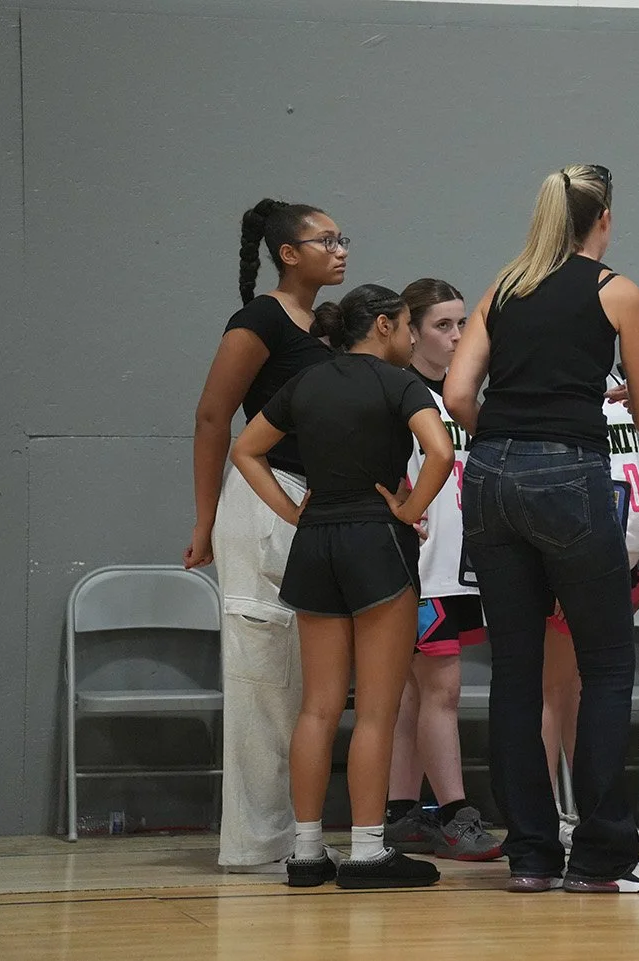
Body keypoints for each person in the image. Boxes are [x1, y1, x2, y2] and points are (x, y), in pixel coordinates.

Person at [443, 164, 639, 894]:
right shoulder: (617, 291)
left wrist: (504, 446)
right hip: (570, 473)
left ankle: (532, 856)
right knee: (605, 666)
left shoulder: (502, 286)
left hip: (487, 475)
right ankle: (602, 855)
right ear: (602, 218)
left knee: (514, 673)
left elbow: (457, 391)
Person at [230, 283, 452, 889]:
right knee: (376, 711)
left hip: (316, 543)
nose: (412, 338)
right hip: (375, 544)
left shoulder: (307, 381)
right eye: (409, 327)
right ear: (383, 326)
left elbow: (246, 449)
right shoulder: (400, 382)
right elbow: (441, 450)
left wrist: (291, 511)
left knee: (318, 706)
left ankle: (305, 853)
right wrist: (408, 513)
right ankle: (367, 851)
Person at [186, 198, 346, 872]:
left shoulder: (335, 326)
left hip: (325, 505)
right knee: (259, 673)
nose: (341, 249)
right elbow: (213, 416)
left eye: (343, 238)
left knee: (312, 681)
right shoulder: (258, 321)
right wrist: (203, 521)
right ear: (287, 252)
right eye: (326, 239)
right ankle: (253, 842)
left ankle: (299, 831)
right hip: (261, 500)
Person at [382, 278, 503, 863]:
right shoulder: (400, 394)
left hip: (462, 565)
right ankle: (456, 815)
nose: (457, 336)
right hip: (420, 567)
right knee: (442, 689)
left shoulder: (467, 396)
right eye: (442, 326)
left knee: (414, 696)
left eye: (462, 324)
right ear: (411, 331)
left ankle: (402, 814)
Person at [545, 368, 639, 853]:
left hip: (620, 557)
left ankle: (595, 813)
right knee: (552, 692)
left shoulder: (618, 379)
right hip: (572, 558)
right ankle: (547, 816)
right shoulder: (554, 382)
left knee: (587, 692)